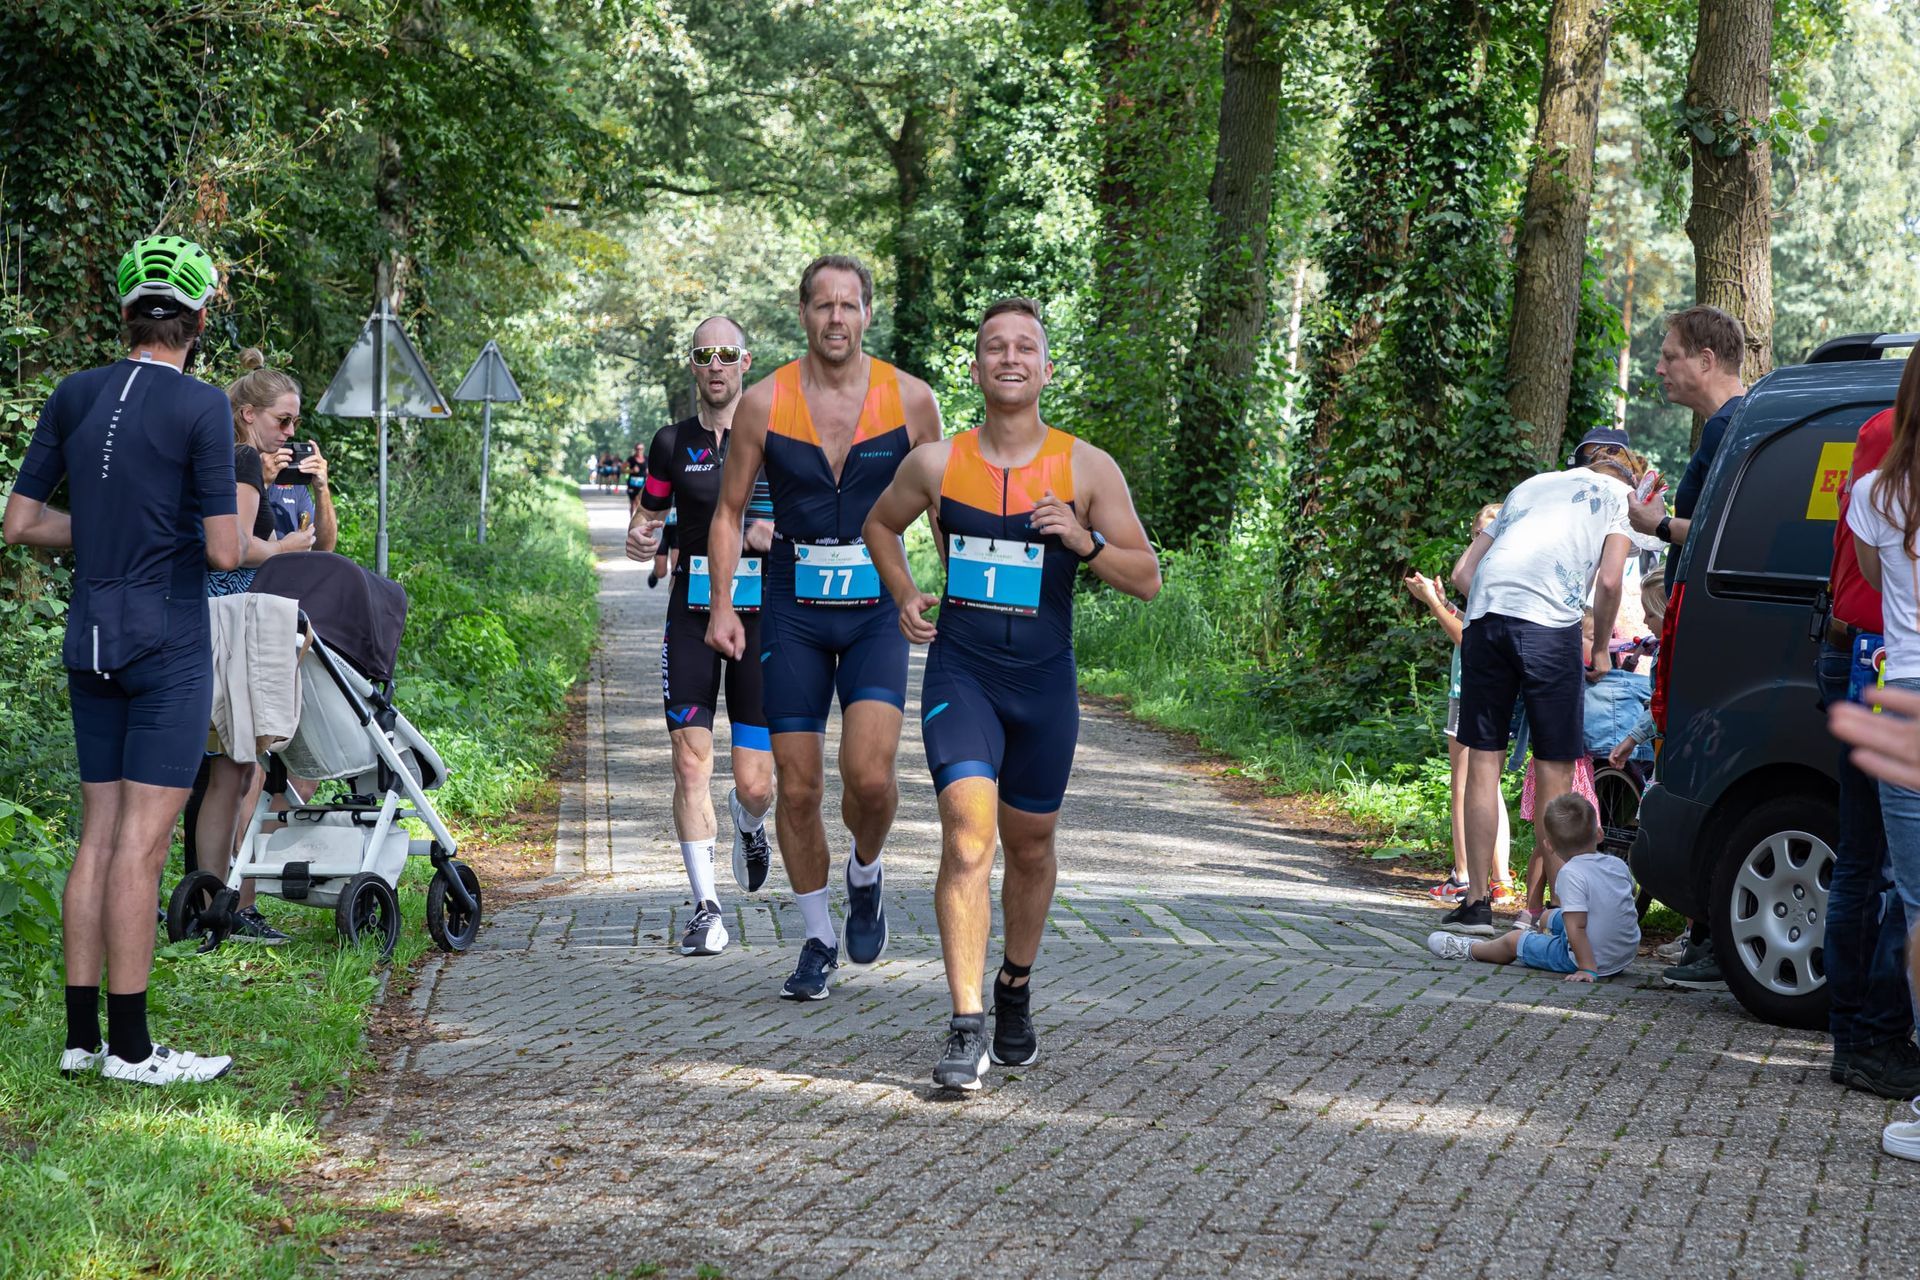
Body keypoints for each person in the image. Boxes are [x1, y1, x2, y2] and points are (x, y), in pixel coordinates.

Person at [862, 298, 1160, 1090]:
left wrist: (1084, 540)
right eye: (995, 347)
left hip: (1044, 686)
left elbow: (1147, 578)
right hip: (962, 675)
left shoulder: (1086, 468)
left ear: (1046, 369)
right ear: (976, 369)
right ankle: (965, 1024)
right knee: (968, 840)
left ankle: (1014, 987)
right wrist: (904, 592)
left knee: (1030, 846)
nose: (1010, 358)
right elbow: (880, 525)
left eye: (1025, 347)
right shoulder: (935, 464)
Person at [2, 235, 242, 1084]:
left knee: (99, 835)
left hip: (91, 638)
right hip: (167, 640)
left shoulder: (74, 393)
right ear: (198, 320)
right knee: (143, 845)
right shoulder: (203, 407)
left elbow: (20, 524)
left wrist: (105, 532)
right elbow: (224, 550)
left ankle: (81, 1041)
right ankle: (133, 1052)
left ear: (127, 313)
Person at [703, 254, 944, 1000]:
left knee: (869, 777)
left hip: (876, 610)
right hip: (792, 612)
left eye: (848, 305)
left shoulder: (911, 399)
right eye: (822, 305)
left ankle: (865, 872)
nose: (836, 318)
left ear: (868, 313)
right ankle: (816, 938)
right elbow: (729, 513)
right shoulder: (764, 402)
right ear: (803, 313)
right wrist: (721, 605)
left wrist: (955, 596)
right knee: (800, 787)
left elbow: (943, 509)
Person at [1442, 429, 1641, 935]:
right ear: (1629, 472)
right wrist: (1600, 648)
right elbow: (1611, 581)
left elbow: (1463, 573)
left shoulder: (1532, 485)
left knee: (1483, 760)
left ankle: (1477, 903)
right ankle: (1557, 909)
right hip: (1549, 628)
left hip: (1486, 618)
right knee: (1554, 768)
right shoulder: (1622, 499)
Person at [624, 317, 775, 956]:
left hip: (760, 616)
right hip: (690, 613)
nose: (715, 365)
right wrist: (640, 536)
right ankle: (706, 909)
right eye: (704, 354)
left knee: (756, 782)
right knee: (690, 760)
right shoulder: (671, 442)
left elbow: (803, 522)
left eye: (725, 354)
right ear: (693, 364)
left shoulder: (775, 436)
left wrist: (771, 535)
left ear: (744, 361)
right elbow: (649, 515)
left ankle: (750, 822)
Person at [187, 351, 321, 945]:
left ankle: (211, 900)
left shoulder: (217, 455)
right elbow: (235, 549)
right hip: (231, 613)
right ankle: (223, 904)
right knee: (237, 771)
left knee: (232, 772)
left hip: (207, 613)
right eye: (282, 420)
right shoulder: (240, 457)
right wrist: (286, 548)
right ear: (248, 414)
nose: (290, 432)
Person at [1811, 397, 1920, 1098]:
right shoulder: (1892, 437)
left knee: (1863, 860)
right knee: (1894, 873)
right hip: (1885, 659)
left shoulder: (1876, 433)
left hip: (1859, 651)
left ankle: (1855, 1036)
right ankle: (1872, 1036)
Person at [1402, 505, 1513, 907]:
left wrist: (1434, 604)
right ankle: (1499, 879)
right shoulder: (1503, 577)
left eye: (1487, 534)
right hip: (1483, 688)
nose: (1478, 541)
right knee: (1487, 784)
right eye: (1476, 534)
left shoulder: (1489, 577)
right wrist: (1446, 604)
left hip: (1471, 690)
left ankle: (1465, 877)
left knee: (1466, 786)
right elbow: (1471, 624)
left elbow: (1471, 641)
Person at [1427, 794, 1640, 981]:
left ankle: (1472, 949)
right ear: (1599, 833)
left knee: (1514, 940)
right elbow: (1626, 898)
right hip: (1623, 954)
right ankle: (1544, 939)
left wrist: (1587, 969)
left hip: (1591, 960)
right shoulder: (1616, 864)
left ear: (1549, 846)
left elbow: (1577, 926)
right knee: (1548, 916)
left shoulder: (1570, 874)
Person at [625, 441, 647, 516]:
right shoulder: (631, 459)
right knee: (632, 502)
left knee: (638, 501)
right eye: (637, 449)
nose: (639, 451)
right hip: (632, 484)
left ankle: (638, 518)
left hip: (642, 484)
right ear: (635, 449)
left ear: (643, 449)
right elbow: (622, 469)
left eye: (641, 449)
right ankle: (632, 518)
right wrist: (631, 470)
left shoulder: (646, 459)